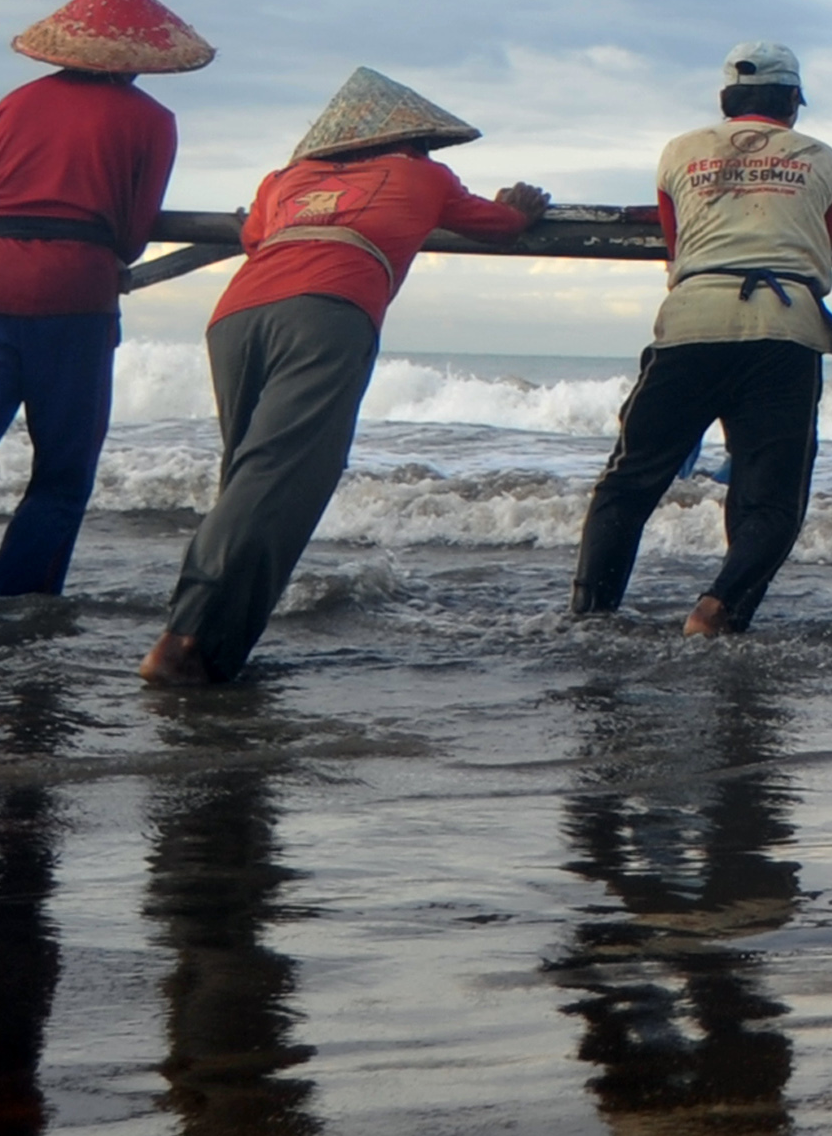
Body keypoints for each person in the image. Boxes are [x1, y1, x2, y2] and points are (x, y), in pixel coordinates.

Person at [139, 70, 544, 686]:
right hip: (329, 311)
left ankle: (214, 650)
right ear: (411, 141)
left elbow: (254, 235)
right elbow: (502, 224)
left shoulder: (285, 179)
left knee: (250, 476)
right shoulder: (422, 174)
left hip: (237, 315)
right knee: (282, 477)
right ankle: (182, 635)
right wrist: (518, 206)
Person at [0, 0, 209, 626]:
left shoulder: (12, 104)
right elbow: (133, 234)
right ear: (143, 59)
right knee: (63, 470)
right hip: (77, 295)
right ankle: (10, 599)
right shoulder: (153, 120)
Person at [574, 43, 832, 637]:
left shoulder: (680, 152)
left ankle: (590, 617)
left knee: (629, 482)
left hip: (693, 321)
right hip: (785, 329)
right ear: (791, 104)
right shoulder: (822, 158)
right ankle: (719, 608)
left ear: (726, 100)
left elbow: (677, 250)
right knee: (770, 496)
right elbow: (821, 245)